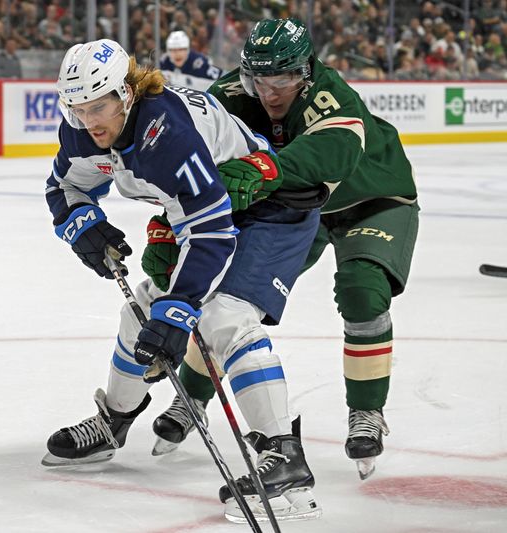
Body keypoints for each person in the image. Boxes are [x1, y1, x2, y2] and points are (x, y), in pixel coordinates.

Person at [42, 38, 321, 521]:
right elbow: (64, 186)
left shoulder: (165, 132)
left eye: (100, 106)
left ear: (127, 93)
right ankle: (114, 423)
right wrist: (82, 223)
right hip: (206, 211)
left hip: (271, 208)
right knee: (140, 315)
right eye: (78, 108)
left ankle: (286, 460)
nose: (91, 121)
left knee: (223, 315)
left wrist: (181, 307)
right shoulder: (82, 131)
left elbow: (212, 229)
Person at [149, 18, 419, 483]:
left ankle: (367, 412)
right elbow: (188, 155)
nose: (270, 93)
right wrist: (166, 219)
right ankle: (191, 396)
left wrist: (266, 167)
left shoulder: (330, 95)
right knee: (228, 295)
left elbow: (334, 152)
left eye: (283, 80)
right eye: (260, 80)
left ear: (307, 71)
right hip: (299, 207)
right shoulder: (232, 93)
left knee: (362, 290)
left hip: (373, 196)